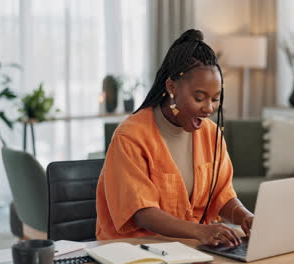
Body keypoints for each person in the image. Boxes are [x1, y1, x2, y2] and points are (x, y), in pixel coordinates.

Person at [96, 29, 254, 247]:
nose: (209, 108)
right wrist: (201, 231)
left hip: (192, 249)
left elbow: (222, 195)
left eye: (215, 99)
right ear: (171, 87)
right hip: (137, 251)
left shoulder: (211, 134)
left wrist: (245, 217)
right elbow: (143, 212)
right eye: (199, 98)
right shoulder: (130, 136)